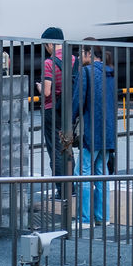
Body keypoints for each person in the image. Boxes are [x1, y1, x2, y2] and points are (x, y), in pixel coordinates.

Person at [72, 39, 117, 227]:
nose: (80, 57)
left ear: (89, 54)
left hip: (91, 131)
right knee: (101, 172)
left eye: (82, 53)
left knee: (81, 172)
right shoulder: (111, 72)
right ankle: (102, 216)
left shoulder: (87, 72)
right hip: (108, 131)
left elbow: (78, 102)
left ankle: (84, 219)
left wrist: (69, 119)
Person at [39, 27, 71, 197]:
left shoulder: (49, 63)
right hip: (70, 111)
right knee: (67, 148)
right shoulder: (74, 60)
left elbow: (46, 92)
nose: (46, 48)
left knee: (56, 150)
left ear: (51, 43)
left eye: (46, 45)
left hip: (53, 111)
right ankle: (72, 187)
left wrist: (39, 86)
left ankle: (63, 190)